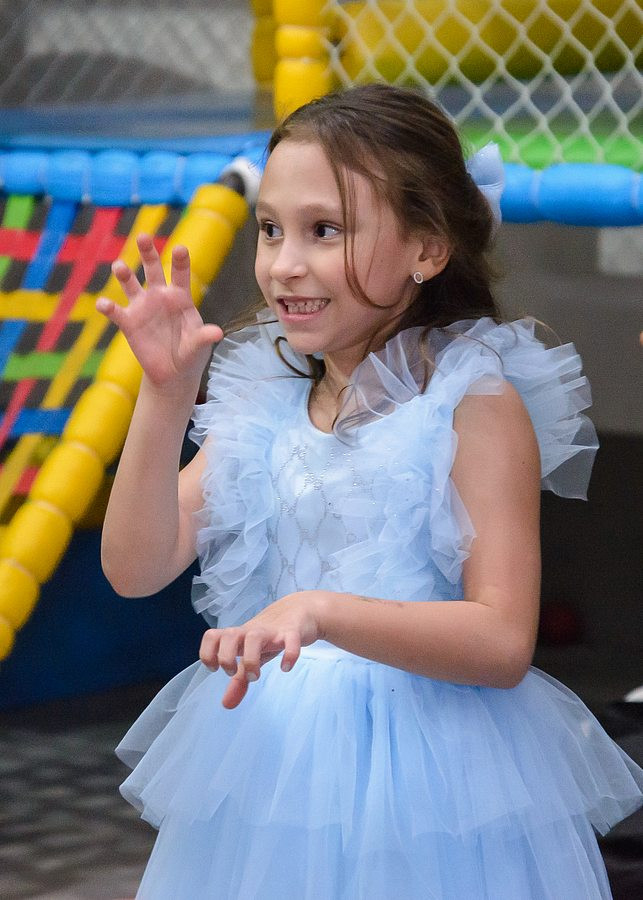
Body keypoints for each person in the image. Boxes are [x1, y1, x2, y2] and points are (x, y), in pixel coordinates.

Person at [97, 84, 642, 899]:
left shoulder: (469, 403)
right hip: (274, 773)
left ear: (427, 247)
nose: (284, 263)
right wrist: (165, 396)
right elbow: (136, 567)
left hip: (431, 786)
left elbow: (501, 643)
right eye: (270, 229)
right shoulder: (264, 398)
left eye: (325, 230)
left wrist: (320, 611)